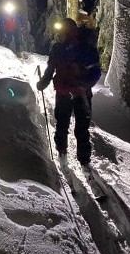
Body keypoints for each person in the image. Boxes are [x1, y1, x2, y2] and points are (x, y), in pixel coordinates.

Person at [37, 18, 101, 166]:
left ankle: (74, 155)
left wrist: (83, 85)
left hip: (75, 93)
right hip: (72, 93)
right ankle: (70, 154)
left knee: (75, 126)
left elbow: (95, 71)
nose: (60, 35)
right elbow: (51, 69)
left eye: (62, 31)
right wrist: (44, 82)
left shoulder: (80, 49)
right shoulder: (61, 48)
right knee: (69, 124)